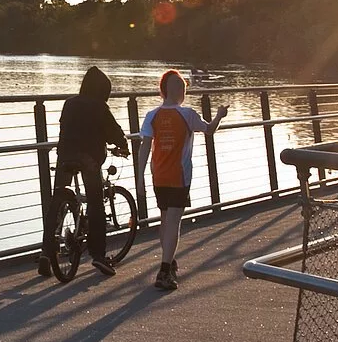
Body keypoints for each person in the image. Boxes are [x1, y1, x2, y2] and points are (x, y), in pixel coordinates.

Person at [139, 69, 227, 291]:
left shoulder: (152, 115)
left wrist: (139, 177)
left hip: (158, 174)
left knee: (165, 218)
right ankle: (164, 269)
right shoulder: (187, 114)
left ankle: (169, 260)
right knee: (174, 222)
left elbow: (144, 147)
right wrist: (219, 115)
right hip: (179, 176)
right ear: (177, 90)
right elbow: (209, 130)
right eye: (183, 87)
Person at [41, 66, 129, 278]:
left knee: (57, 202)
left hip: (65, 156)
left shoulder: (69, 103)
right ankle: (98, 255)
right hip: (89, 159)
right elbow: (113, 132)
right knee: (95, 203)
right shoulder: (100, 107)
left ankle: (46, 253)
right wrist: (122, 145)